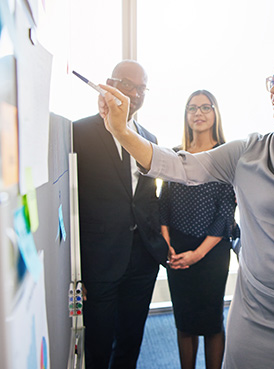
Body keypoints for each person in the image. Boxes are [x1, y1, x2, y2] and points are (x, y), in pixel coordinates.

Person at [98, 35, 274, 369]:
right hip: (256, 313)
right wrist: (122, 132)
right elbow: (178, 166)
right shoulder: (247, 153)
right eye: (273, 80)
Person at [73, 60, 168, 369]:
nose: (135, 93)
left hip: (142, 256)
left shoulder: (149, 139)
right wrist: (77, 269)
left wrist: (158, 240)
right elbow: (72, 202)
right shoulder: (80, 132)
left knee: (131, 339)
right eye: (127, 84)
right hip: (100, 260)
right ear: (109, 83)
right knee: (98, 343)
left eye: (141, 88)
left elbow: (147, 197)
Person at [160, 90, 237, 369]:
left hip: (212, 250)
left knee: (212, 322)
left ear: (215, 113)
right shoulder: (175, 154)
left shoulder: (226, 155)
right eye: (192, 108)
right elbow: (164, 203)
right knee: (184, 321)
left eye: (206, 107)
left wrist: (198, 254)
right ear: (186, 115)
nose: (198, 113)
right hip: (176, 249)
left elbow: (226, 213)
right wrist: (167, 245)